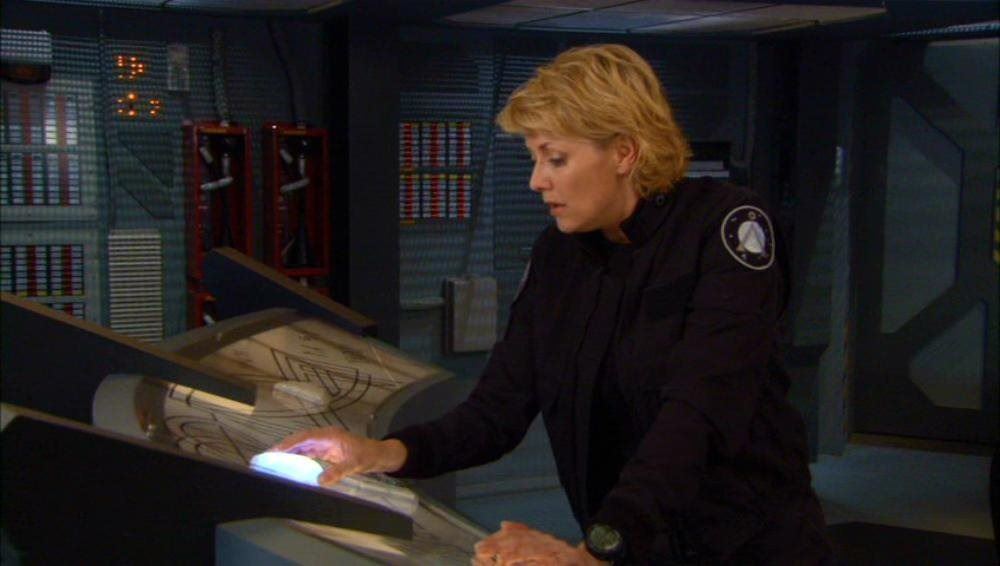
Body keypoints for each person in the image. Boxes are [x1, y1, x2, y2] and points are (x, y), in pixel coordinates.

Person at [274, 43, 831, 565]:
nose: (537, 181)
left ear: (625, 152)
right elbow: (497, 410)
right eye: (535, 159)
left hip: (747, 547)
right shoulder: (558, 256)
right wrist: (380, 453)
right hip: (629, 546)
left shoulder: (724, 227)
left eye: (556, 159)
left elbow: (699, 413)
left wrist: (599, 548)